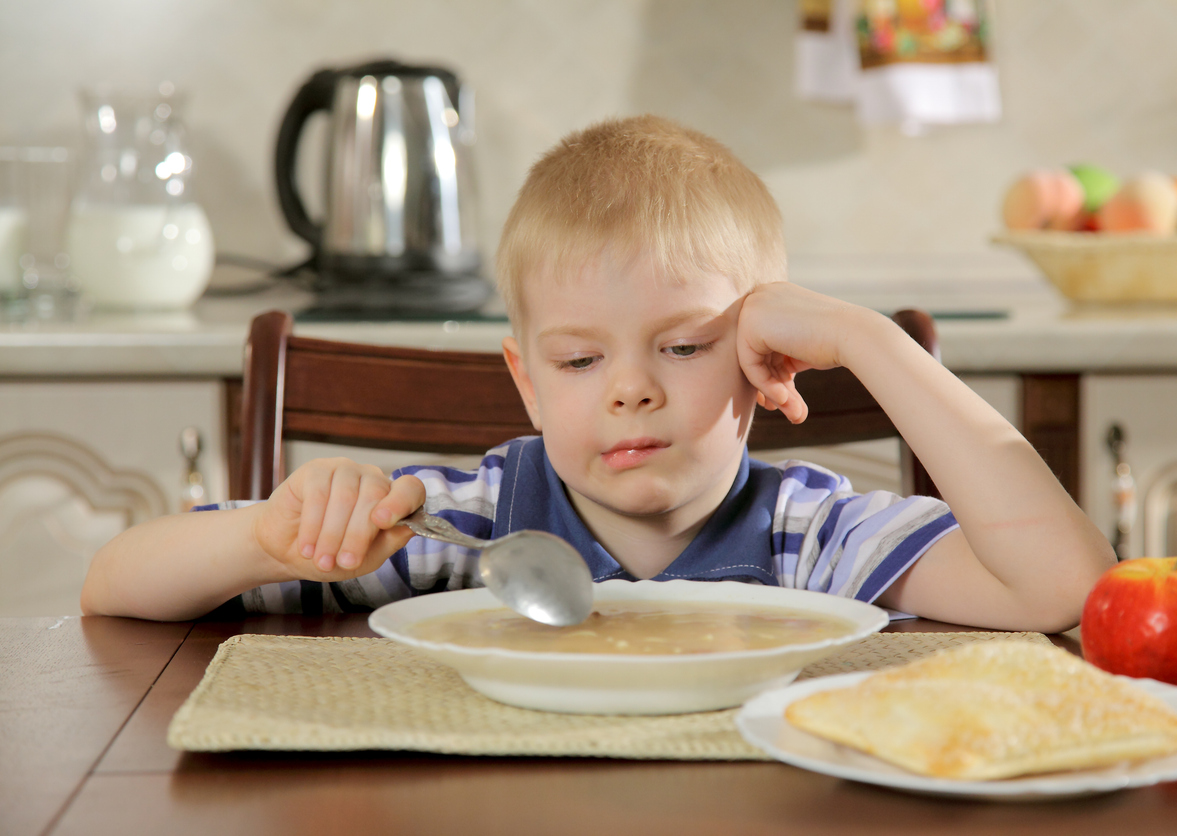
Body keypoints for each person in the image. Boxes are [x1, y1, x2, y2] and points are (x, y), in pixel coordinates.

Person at [81, 115, 1115, 628]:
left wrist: (871, 342)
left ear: (764, 365)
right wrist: (269, 537)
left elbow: (1066, 585)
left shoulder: (811, 537)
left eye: (684, 345)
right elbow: (113, 584)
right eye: (580, 358)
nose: (630, 388)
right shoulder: (466, 527)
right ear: (528, 382)